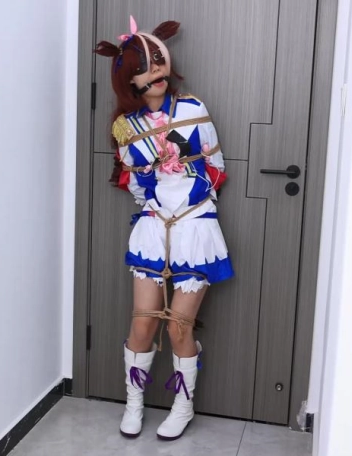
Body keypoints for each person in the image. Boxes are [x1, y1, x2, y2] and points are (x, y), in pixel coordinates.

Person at [93, 16, 234, 441]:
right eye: (143, 66)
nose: (154, 71)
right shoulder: (125, 127)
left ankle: (183, 407)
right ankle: (134, 404)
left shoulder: (192, 108)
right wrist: (156, 195)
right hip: (154, 230)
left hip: (195, 230)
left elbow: (215, 165)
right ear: (129, 79)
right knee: (142, 325)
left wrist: (190, 198)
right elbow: (136, 186)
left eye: (157, 61)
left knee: (178, 326)